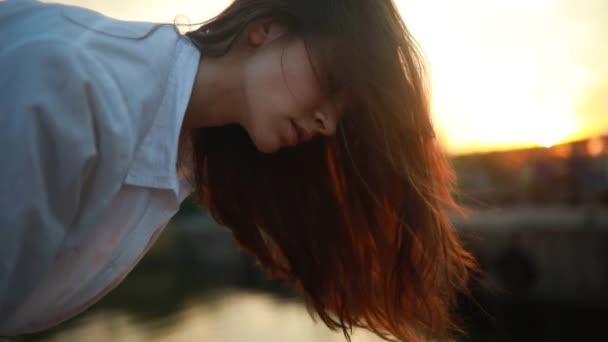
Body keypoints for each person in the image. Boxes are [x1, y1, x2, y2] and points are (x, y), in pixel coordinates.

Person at [0, 0, 477, 340]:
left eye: (344, 114)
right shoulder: (73, 86)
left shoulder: (172, 147)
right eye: (332, 83)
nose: (328, 122)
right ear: (267, 27)